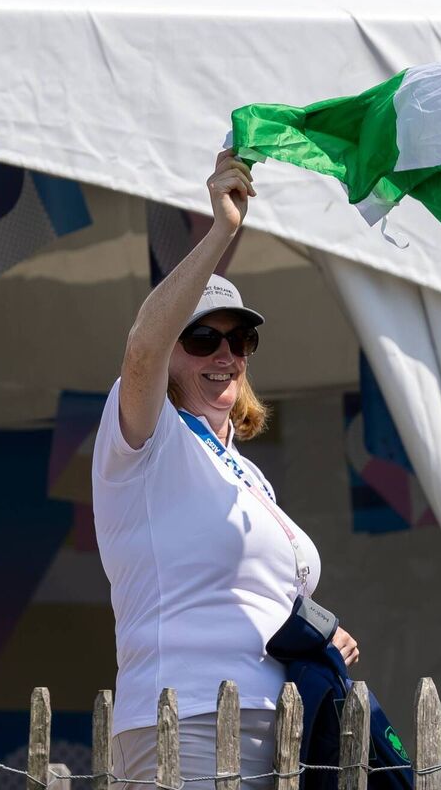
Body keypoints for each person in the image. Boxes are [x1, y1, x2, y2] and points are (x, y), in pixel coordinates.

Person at [92, 150, 360, 790]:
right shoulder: (147, 436)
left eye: (239, 340)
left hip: (283, 726)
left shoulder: (246, 472)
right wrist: (221, 232)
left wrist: (321, 633)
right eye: (202, 339)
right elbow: (141, 349)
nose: (225, 355)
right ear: (173, 352)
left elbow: (255, 590)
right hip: (185, 717)